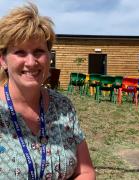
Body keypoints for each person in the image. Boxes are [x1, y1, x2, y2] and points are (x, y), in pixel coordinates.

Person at [0, 3, 95, 180]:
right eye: (20, 52)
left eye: (38, 52)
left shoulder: (63, 106)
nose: (31, 62)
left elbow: (86, 171)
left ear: (49, 57)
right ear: (3, 60)